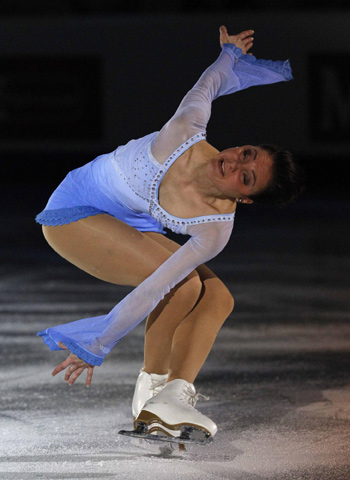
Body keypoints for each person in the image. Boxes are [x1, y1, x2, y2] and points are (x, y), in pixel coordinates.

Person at [36, 26, 304, 441]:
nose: (233, 164)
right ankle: (152, 390)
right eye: (245, 153)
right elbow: (209, 83)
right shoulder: (187, 128)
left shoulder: (216, 228)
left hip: (125, 221)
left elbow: (158, 283)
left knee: (217, 295)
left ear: (246, 199)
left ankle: (175, 392)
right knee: (181, 287)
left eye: (246, 177)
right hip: (74, 211)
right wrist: (229, 54)